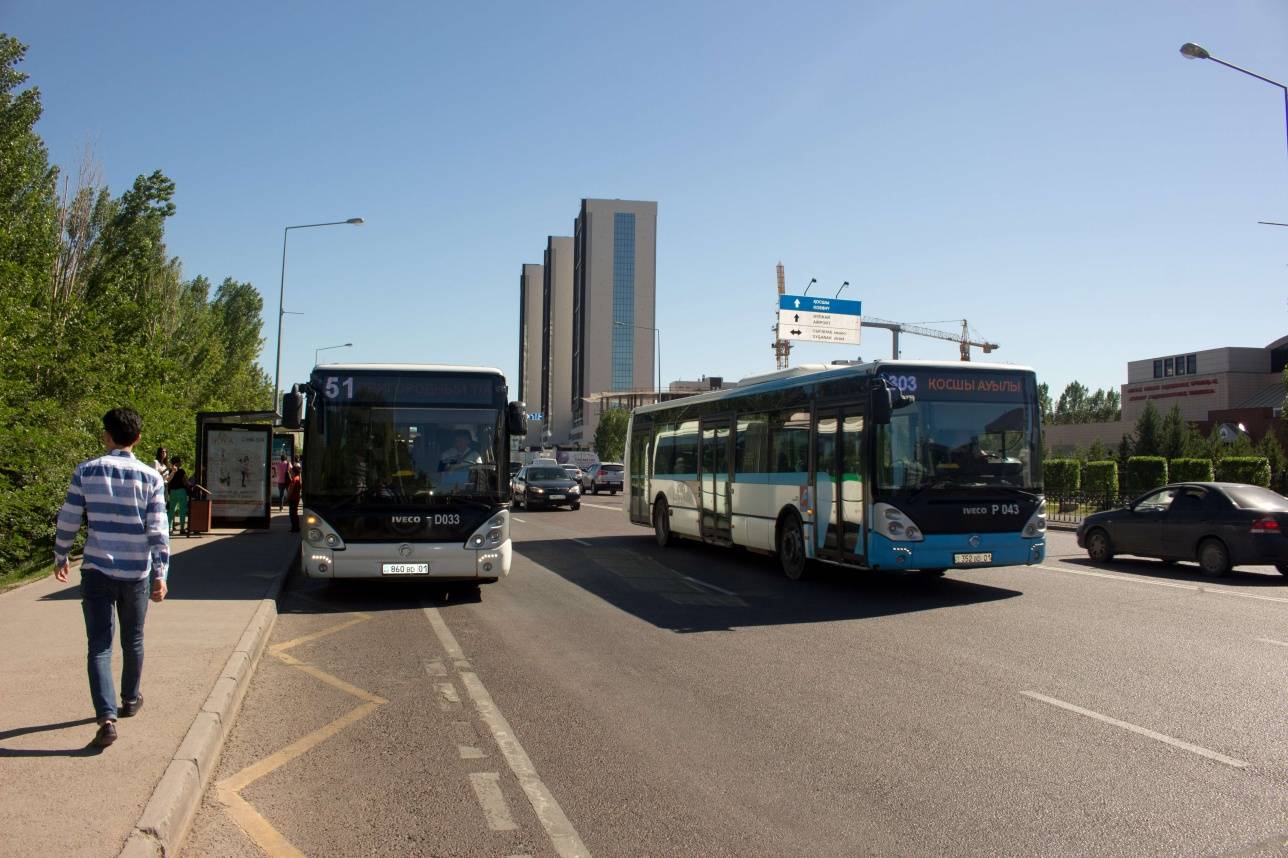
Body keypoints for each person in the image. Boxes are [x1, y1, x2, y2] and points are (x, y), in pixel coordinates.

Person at [54, 408, 169, 749]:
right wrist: (161, 573)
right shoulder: (152, 478)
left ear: (107, 436)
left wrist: (61, 554)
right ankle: (131, 699)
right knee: (133, 640)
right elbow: (158, 531)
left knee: (99, 646)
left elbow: (69, 517)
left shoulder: (86, 471)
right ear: (138, 438)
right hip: (136, 573)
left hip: (96, 570)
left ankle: (106, 718)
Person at [167, 455, 190, 536]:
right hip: (181, 491)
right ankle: (182, 529)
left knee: (171, 511)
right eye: (180, 461)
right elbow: (186, 481)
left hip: (173, 492)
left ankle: (169, 528)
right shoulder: (181, 471)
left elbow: (168, 481)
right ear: (177, 462)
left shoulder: (170, 471)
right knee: (182, 511)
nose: (181, 463)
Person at [286, 464, 302, 532]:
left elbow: (291, 490)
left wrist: (287, 498)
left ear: (294, 472)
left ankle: (294, 528)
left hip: (292, 498)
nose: (291, 473)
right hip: (296, 498)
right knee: (295, 513)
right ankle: (297, 527)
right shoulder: (298, 478)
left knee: (292, 514)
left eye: (292, 472)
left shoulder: (294, 480)